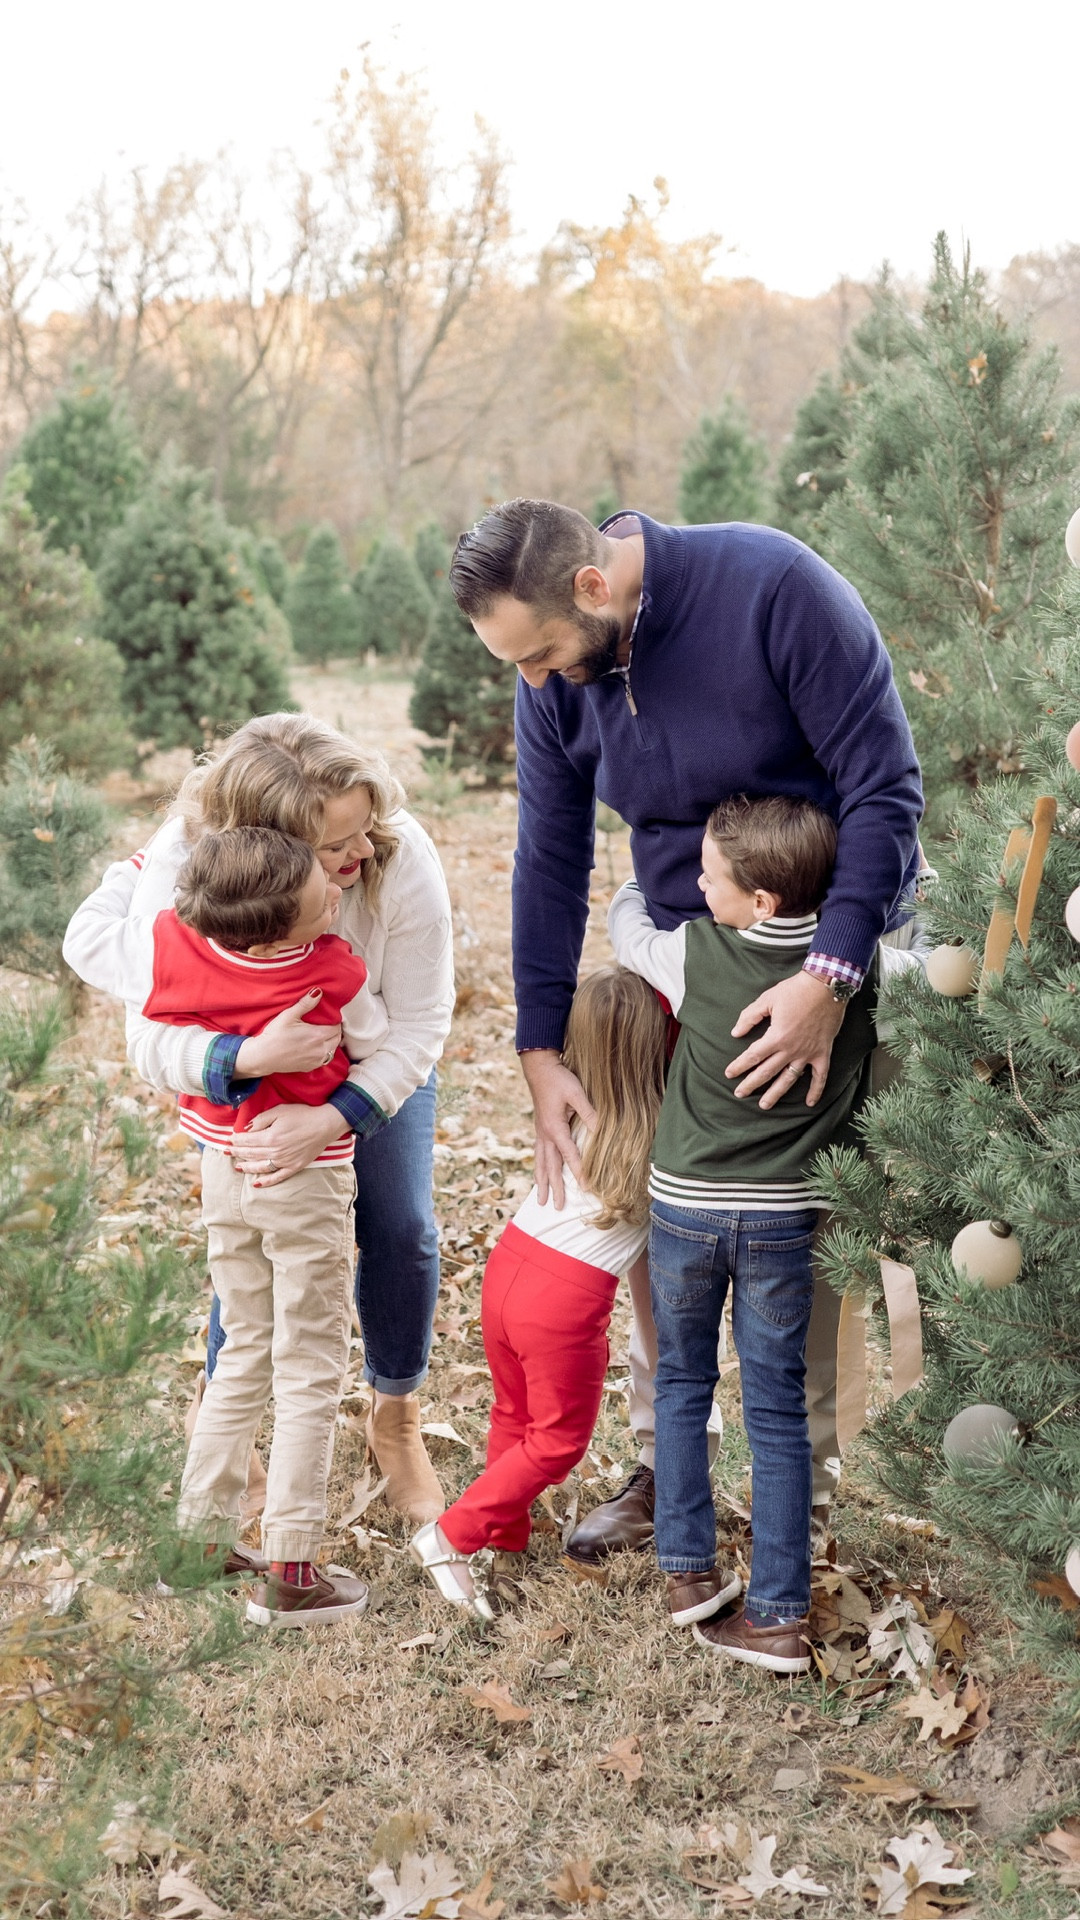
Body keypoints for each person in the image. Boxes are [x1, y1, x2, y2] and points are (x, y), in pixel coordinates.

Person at [448, 500, 923, 1565]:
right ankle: (670, 1466)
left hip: (835, 948)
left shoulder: (773, 588)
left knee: (807, 1229)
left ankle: (807, 1491)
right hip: (683, 958)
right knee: (666, 1210)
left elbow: (886, 790)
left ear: (593, 586)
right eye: (516, 666)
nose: (535, 683)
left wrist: (831, 975)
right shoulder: (555, 676)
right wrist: (538, 1049)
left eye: (541, 655)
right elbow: (550, 853)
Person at [63, 714, 455, 1526]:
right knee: (255, 1242)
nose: (364, 849)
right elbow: (148, 1035)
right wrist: (247, 1057)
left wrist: (336, 1115)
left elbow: (418, 1024)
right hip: (250, 1076)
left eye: (366, 825)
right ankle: (227, 1425)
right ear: (262, 856)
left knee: (404, 1228)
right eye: (335, 844)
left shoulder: (398, 853)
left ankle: (395, 1416)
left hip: (374, 1062)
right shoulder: (194, 863)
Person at [609, 794, 882, 1672]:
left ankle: (688, 1574)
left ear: (759, 901)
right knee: (775, 1411)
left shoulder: (693, 952)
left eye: (708, 876)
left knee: (683, 1382)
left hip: (683, 1213)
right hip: (781, 1223)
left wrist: (631, 886)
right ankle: (777, 1615)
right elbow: (940, 966)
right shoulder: (861, 973)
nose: (696, 887)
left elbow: (627, 934)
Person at [409, 969, 740, 1625]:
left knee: (514, 1413)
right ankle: (452, 1537)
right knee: (558, 1441)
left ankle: (505, 1536)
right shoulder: (663, 1132)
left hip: (508, 1266)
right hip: (563, 1301)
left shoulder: (562, 1113)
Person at [146, 826, 376, 1625]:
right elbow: (375, 1041)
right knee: (309, 1358)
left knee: (243, 1345)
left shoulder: (178, 941)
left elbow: (165, 1019)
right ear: (280, 933)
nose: (336, 895)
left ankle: (197, 1541)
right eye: (322, 900)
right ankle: (293, 1565)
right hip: (303, 1175)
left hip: (222, 1167)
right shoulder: (332, 969)